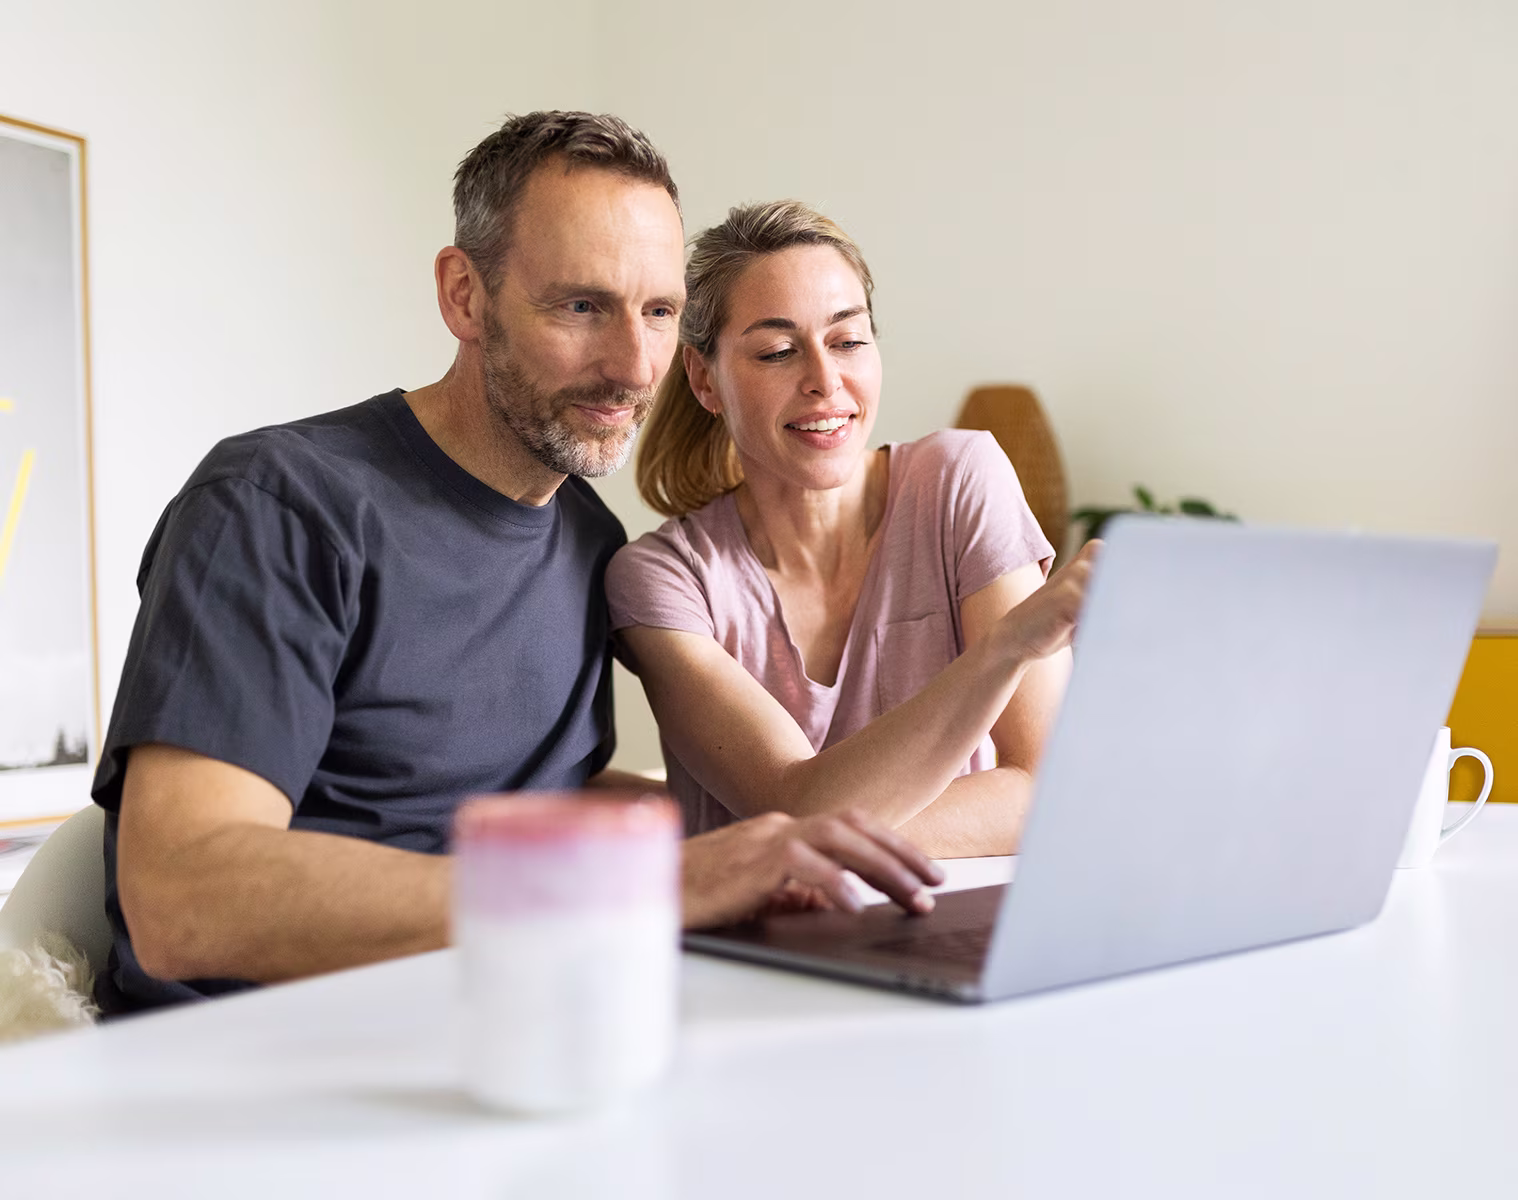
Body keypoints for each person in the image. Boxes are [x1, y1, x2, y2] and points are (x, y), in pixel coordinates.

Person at [93, 114, 941, 1015]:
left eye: (657, 313)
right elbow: (182, 896)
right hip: (251, 1066)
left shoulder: (586, 540)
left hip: (507, 1021)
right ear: (464, 296)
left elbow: (501, 790)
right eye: (580, 306)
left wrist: (753, 843)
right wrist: (660, 879)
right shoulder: (278, 505)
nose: (632, 367)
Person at [607, 200, 1096, 857]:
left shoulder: (959, 480)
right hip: (749, 950)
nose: (825, 380)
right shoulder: (664, 583)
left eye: (847, 340)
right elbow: (795, 801)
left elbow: (1048, 791)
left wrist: (811, 843)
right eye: (778, 352)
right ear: (704, 380)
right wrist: (1003, 650)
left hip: (940, 928)